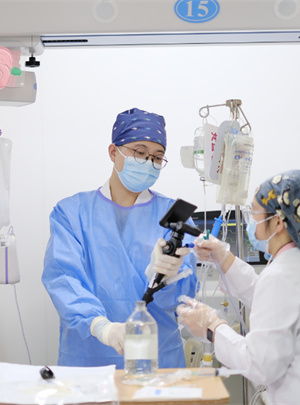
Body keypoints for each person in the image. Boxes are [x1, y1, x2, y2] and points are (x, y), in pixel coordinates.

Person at [177, 169, 300, 404]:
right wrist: (224, 258)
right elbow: (277, 304)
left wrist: (212, 327)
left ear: (277, 221)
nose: (250, 221)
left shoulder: (282, 276)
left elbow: (259, 365)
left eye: (253, 213)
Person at [42, 107, 197, 369]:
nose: (148, 162)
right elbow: (63, 278)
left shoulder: (174, 217)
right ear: (114, 152)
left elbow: (182, 300)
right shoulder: (72, 213)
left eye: (157, 157)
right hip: (90, 355)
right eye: (140, 152)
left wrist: (165, 278)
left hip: (157, 357)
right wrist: (100, 326)